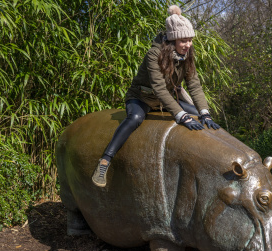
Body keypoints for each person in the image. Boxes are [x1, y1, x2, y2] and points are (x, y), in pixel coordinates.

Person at [92, 5, 220, 187]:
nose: (188, 45)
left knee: (200, 117)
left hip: (167, 99)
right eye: (184, 40)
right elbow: (159, 88)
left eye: (190, 40)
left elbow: (194, 84)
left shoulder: (188, 54)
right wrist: (181, 115)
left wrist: (205, 112)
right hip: (142, 98)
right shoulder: (154, 54)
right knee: (135, 118)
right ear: (173, 39)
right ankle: (105, 161)